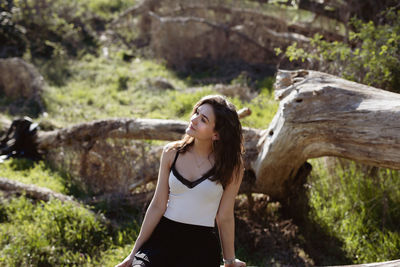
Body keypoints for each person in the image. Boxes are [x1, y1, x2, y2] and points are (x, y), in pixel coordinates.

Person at [116, 95, 247, 267]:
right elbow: (158, 205)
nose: (193, 120)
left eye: (203, 120)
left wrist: (229, 261)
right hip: (163, 238)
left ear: (216, 134)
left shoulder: (232, 166)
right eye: (196, 113)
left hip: (201, 247)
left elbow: (224, 216)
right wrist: (133, 253)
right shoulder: (172, 152)